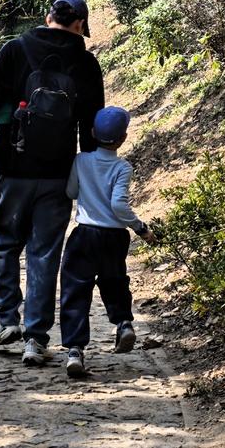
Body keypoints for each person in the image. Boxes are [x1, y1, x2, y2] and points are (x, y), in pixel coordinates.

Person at [0, 0, 104, 366]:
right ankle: (36, 338)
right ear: (80, 25)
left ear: (48, 17)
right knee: (44, 252)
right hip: (57, 173)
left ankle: (6, 319)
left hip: (13, 167)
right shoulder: (86, 64)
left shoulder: (16, 49)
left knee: (6, 242)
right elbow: (92, 130)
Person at [59, 106, 156, 378]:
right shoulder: (123, 167)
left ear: (91, 133)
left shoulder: (81, 161)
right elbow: (119, 206)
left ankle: (75, 351)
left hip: (85, 234)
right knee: (114, 280)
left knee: (75, 289)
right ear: (123, 139)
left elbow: (70, 191)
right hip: (114, 236)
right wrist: (140, 228)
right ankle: (124, 323)